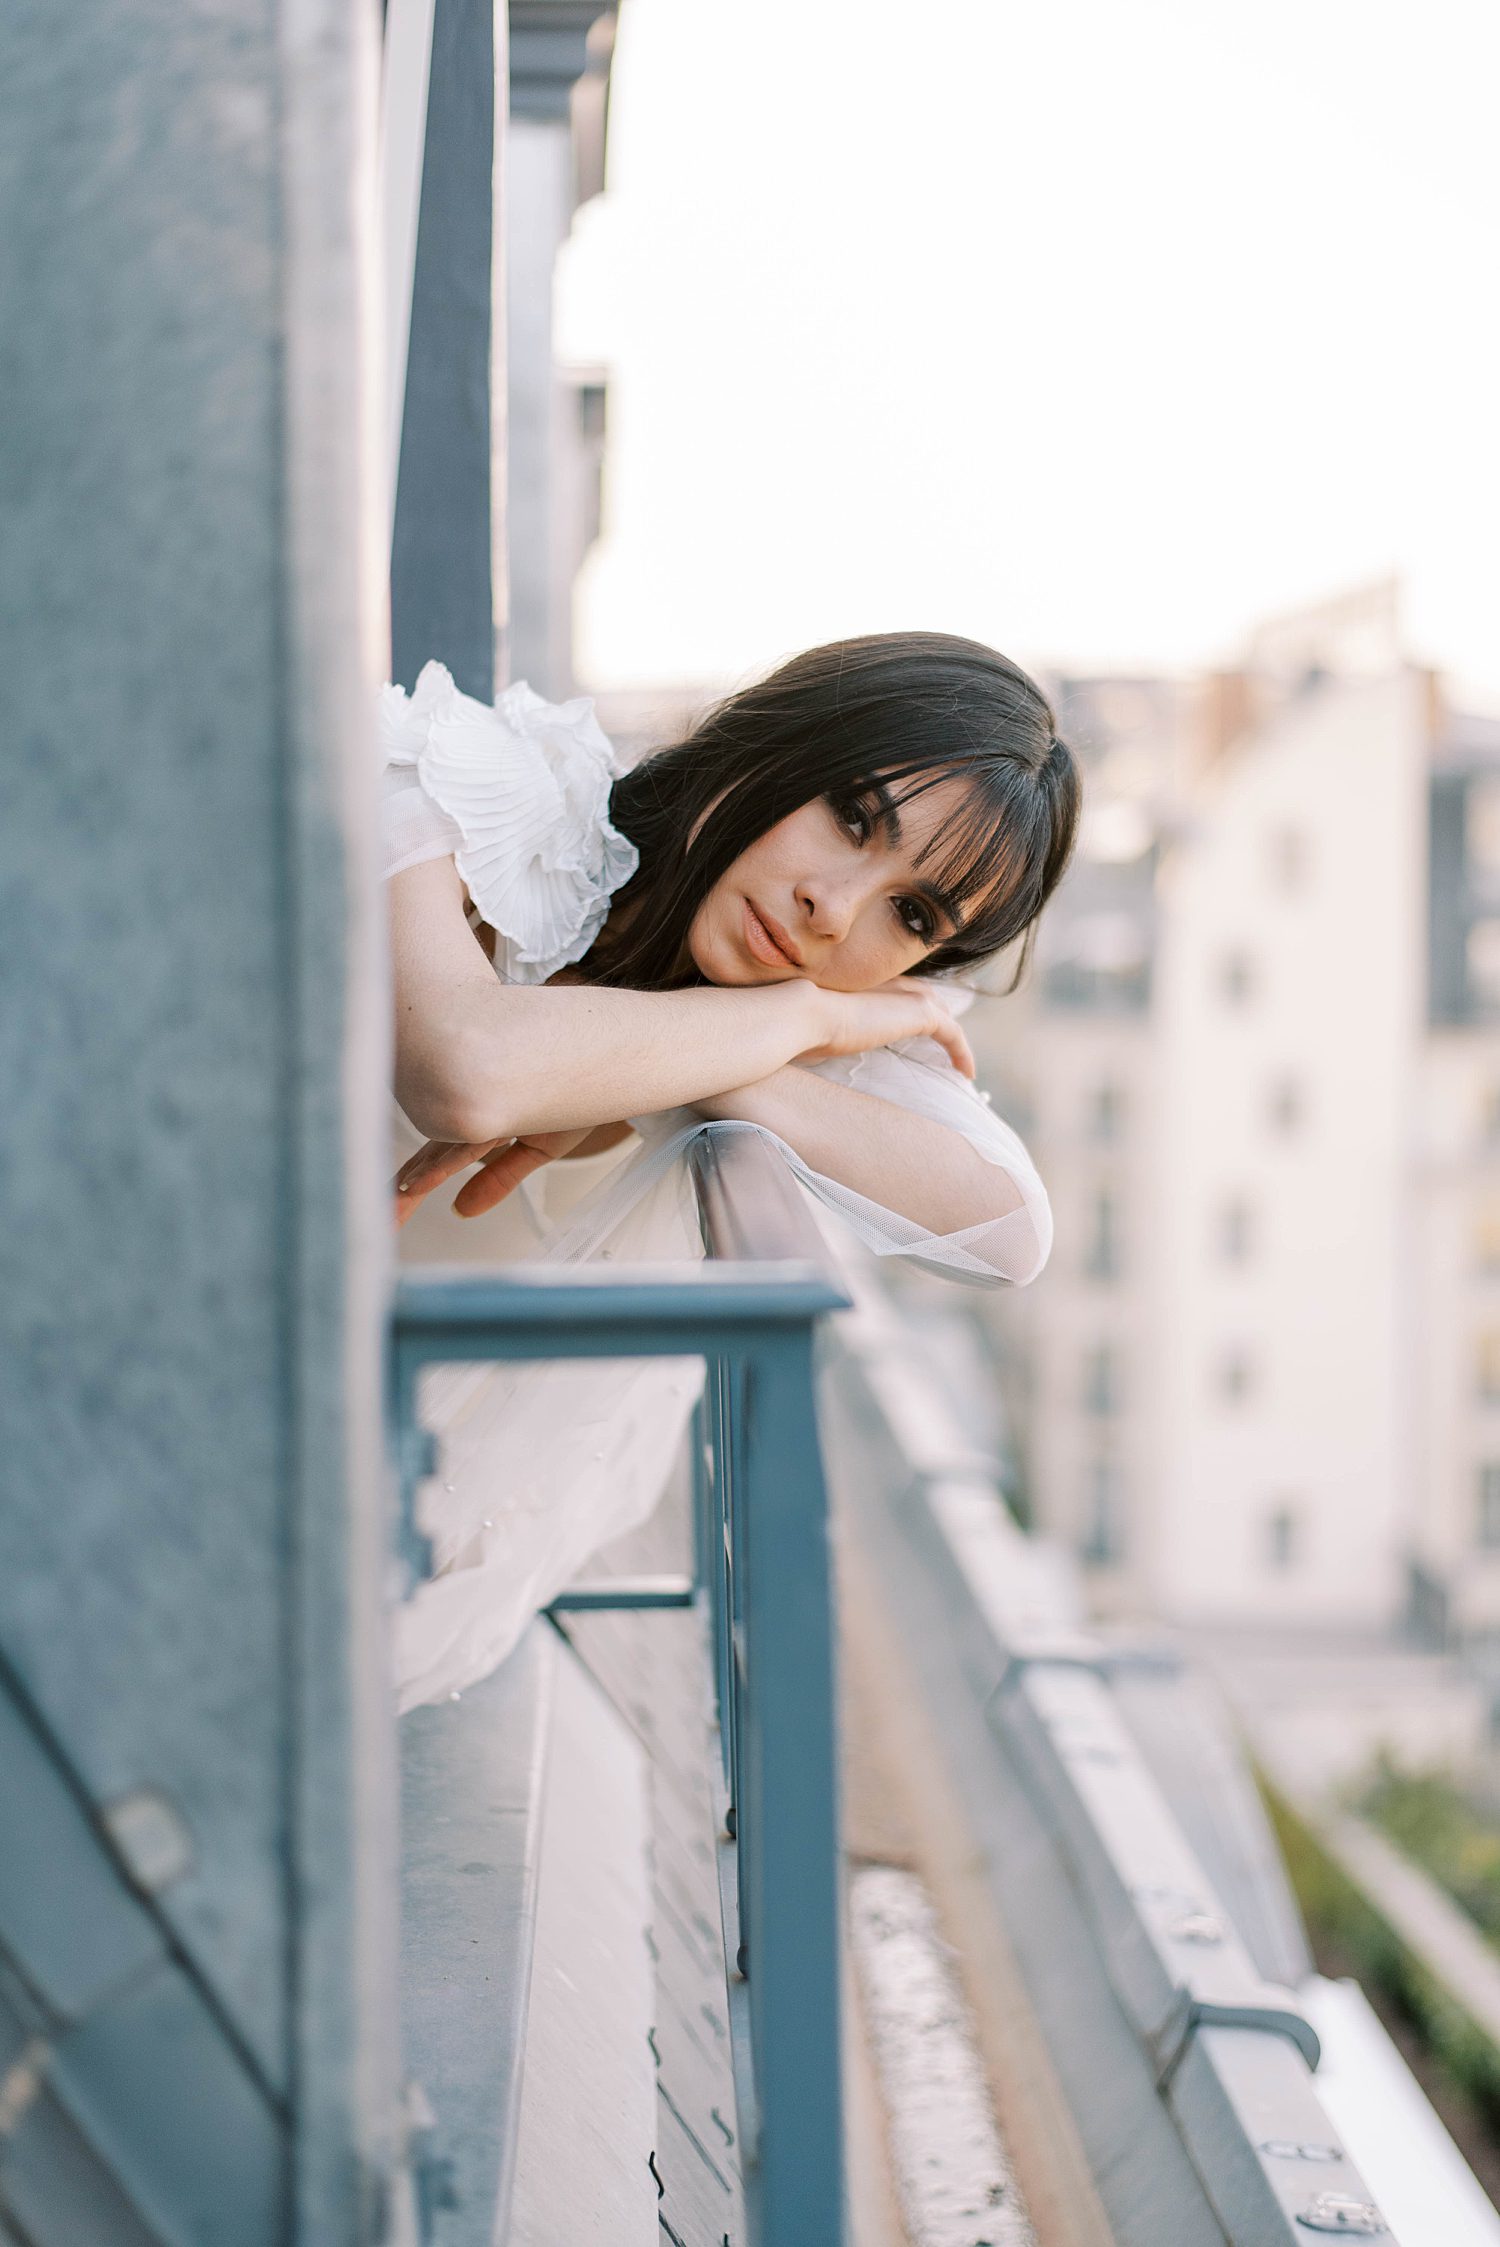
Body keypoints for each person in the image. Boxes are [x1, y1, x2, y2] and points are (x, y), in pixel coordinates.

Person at [383, 631, 1080, 1704]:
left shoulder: (765, 1021)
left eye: (912, 916)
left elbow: (1008, 1231)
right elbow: (469, 1073)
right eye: (853, 817)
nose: (836, 912)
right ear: (783, 740)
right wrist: (798, 1015)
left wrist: (704, 1056)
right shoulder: (475, 787)